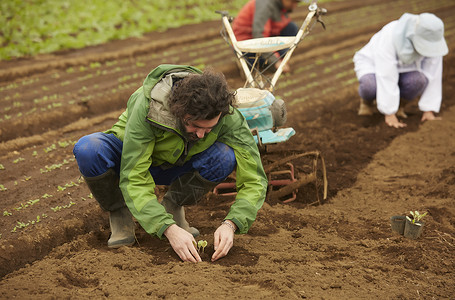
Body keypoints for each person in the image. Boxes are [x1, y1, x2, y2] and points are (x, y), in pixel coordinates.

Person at [73, 64, 267, 263]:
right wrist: (168, 229)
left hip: (179, 163)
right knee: (89, 149)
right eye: (195, 126)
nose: (201, 134)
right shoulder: (149, 106)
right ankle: (119, 212)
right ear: (180, 112)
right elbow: (134, 176)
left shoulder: (228, 116)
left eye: (209, 129)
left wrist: (231, 224)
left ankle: (172, 205)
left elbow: (254, 179)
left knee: (225, 156)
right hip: (133, 158)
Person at [353, 12, 448, 128]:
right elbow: (386, 73)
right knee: (370, 85)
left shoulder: (433, 40)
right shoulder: (390, 34)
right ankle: (366, 102)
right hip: (374, 64)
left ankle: (399, 106)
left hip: (407, 68)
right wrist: (389, 113)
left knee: (418, 80)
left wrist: (429, 110)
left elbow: (433, 74)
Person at [232, 0, 303, 73]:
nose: (295, 6)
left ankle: (270, 60)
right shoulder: (265, 5)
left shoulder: (279, 5)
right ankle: (246, 62)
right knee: (277, 54)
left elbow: (280, 25)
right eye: (293, 2)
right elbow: (259, 36)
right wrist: (276, 61)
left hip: (262, 36)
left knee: (291, 28)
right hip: (245, 44)